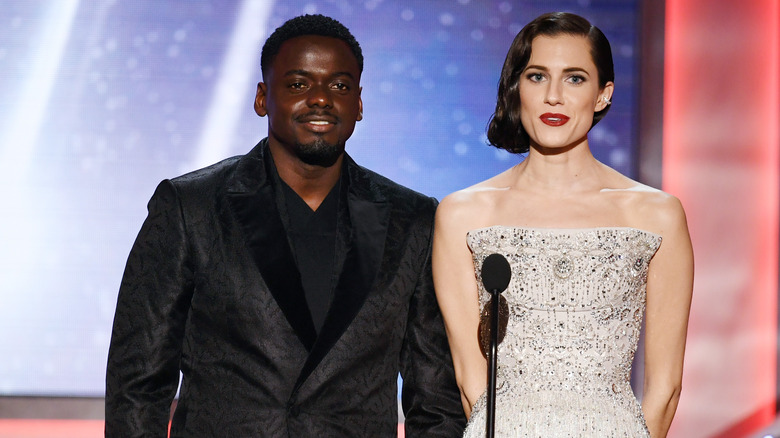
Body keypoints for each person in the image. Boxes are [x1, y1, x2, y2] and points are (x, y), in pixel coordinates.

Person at [105, 14, 466, 437]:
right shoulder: (191, 207)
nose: (320, 99)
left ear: (360, 104)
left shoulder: (413, 220)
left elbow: (436, 398)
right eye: (298, 84)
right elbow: (138, 381)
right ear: (262, 98)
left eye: (340, 86)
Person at [433, 12, 693, 438]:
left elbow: (665, 388)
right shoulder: (463, 214)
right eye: (537, 77)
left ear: (603, 94)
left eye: (574, 79)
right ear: (517, 89)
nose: (553, 96)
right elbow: (470, 380)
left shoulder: (655, 215)